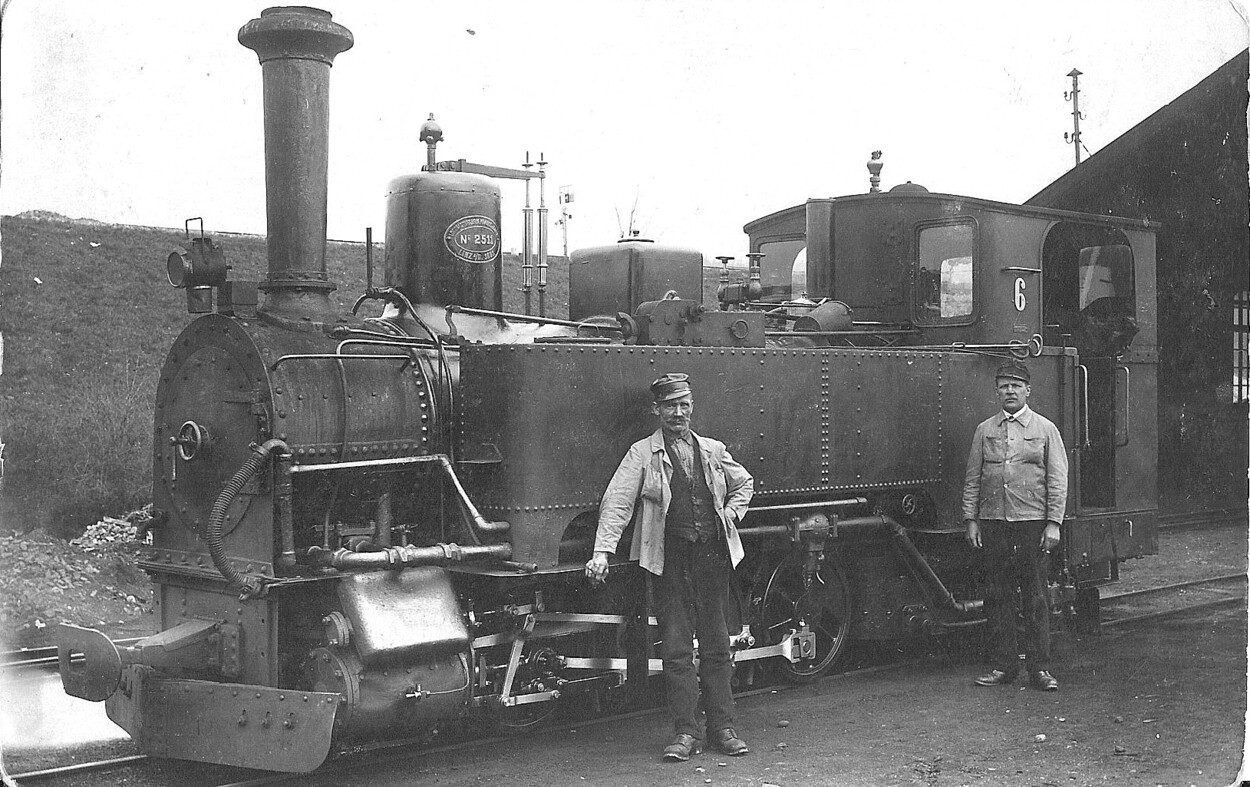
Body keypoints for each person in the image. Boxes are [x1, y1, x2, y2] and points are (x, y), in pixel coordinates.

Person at [585, 373, 754, 761]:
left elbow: (744, 483)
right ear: (656, 411)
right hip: (670, 560)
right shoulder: (642, 453)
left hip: (712, 557)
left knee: (716, 643)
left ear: (692, 407)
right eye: (669, 407)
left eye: (683, 405)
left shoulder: (712, 449)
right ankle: (685, 733)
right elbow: (617, 503)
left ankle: (723, 729)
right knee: (676, 648)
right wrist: (601, 551)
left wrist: (730, 514)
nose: (677, 413)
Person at [963, 361, 1068, 692]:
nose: (1009, 391)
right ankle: (1003, 667)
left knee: (1035, 597)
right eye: (1004, 386)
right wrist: (971, 519)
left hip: (1031, 524)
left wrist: (1053, 523)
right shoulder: (985, 430)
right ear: (997, 392)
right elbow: (973, 477)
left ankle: (1040, 670)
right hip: (994, 523)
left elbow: (1057, 479)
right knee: (998, 597)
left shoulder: (1045, 429)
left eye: (1016, 386)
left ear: (1028, 391)